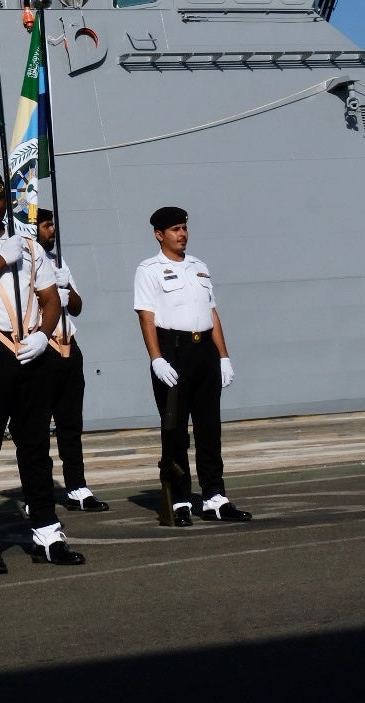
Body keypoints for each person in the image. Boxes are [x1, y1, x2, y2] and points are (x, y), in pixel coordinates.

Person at [0, 173, 85, 574]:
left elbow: (49, 298)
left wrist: (44, 334)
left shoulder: (28, 243)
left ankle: (47, 531)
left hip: (30, 349)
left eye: (1, 194)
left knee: (35, 446)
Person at [134, 205, 251, 526]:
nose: (182, 234)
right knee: (174, 432)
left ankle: (215, 497)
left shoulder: (199, 266)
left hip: (204, 353)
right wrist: (155, 358)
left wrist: (223, 356)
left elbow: (212, 313)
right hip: (172, 351)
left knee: (209, 428)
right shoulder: (149, 269)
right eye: (174, 229)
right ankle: (178, 500)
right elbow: (146, 316)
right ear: (159, 235)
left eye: (184, 228)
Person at [34, 209, 109, 513]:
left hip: (68, 345)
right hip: (43, 348)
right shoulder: (23, 265)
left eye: (53, 224)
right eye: (47, 225)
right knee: (37, 428)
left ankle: (77, 487)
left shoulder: (59, 262)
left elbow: (77, 307)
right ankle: (38, 490)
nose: (53, 230)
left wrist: (66, 289)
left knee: (71, 424)